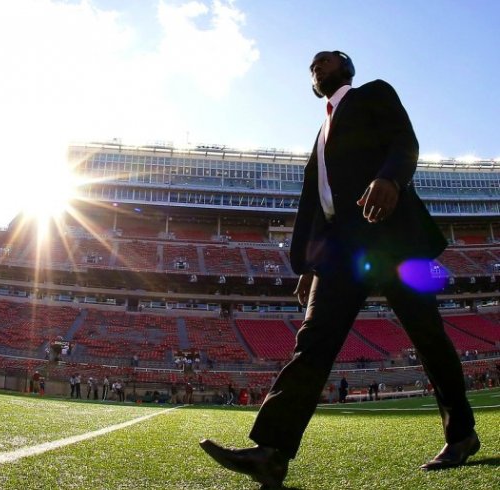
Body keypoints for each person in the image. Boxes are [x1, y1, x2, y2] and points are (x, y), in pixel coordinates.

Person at [199, 51, 478, 488]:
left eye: (326, 61)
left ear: (347, 68)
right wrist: (310, 266)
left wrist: (390, 179)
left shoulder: (373, 94)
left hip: (392, 238)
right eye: (312, 66)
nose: (317, 67)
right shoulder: (320, 134)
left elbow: (404, 141)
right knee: (312, 344)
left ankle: (461, 434)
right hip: (339, 252)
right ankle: (271, 451)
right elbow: (318, 206)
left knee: (428, 335)